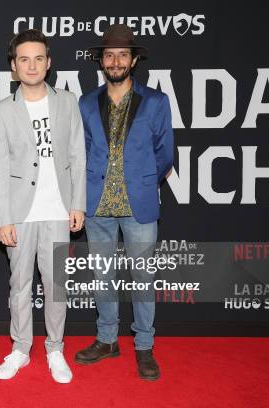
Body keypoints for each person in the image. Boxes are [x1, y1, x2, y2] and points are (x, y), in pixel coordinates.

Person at [74, 24, 174, 381]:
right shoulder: (85, 103)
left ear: (133, 60)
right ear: (101, 61)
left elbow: (165, 154)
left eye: (122, 55)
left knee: (143, 277)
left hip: (139, 205)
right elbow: (80, 153)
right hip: (97, 204)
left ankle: (144, 346)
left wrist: (144, 179)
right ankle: (107, 340)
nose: (115, 61)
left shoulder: (156, 102)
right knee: (103, 276)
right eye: (109, 55)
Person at [0, 29, 86, 384]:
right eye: (24, 59)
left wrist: (77, 204)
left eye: (39, 58)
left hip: (58, 210)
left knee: (57, 284)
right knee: (20, 285)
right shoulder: (1, 111)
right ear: (13, 67)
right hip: (20, 212)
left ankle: (56, 349)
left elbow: (78, 153)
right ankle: (20, 349)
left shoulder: (67, 102)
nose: (32, 65)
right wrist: (3, 219)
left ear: (49, 62)